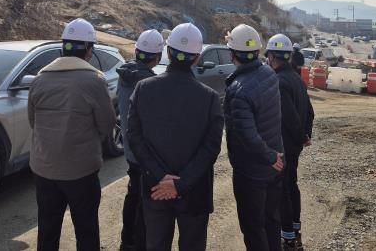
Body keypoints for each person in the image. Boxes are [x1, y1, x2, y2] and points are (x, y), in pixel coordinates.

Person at [127, 23, 223, 251]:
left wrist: (161, 176)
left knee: (156, 245)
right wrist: (181, 183)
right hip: (195, 191)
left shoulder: (143, 88)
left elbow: (134, 137)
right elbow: (211, 148)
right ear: (197, 58)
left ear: (168, 52)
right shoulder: (210, 97)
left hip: (156, 188)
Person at [28, 18, 116, 251]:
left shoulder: (40, 79)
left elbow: (33, 121)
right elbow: (107, 124)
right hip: (81, 170)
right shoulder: (94, 81)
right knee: (86, 229)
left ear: (63, 47)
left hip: (44, 168)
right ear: (89, 49)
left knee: (47, 227)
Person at [224, 24, 284, 251]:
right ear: (258, 51)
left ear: (232, 55)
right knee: (271, 221)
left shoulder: (238, 89)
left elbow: (246, 135)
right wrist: (273, 157)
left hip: (252, 171)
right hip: (275, 164)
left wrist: (268, 156)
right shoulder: (269, 73)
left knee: (253, 228)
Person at [265, 34, 315, 250]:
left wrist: (301, 136)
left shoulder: (278, 81)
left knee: (283, 191)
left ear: (271, 56)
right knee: (292, 186)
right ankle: (295, 230)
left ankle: (287, 237)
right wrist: (305, 136)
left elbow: (289, 116)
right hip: (294, 147)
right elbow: (310, 112)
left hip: (284, 146)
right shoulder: (296, 79)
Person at [117, 29, 165, 251]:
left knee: (133, 193)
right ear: (157, 56)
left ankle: (127, 241)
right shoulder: (150, 83)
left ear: (136, 51)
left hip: (129, 150)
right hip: (144, 154)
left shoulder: (124, 75)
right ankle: (138, 243)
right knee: (144, 202)